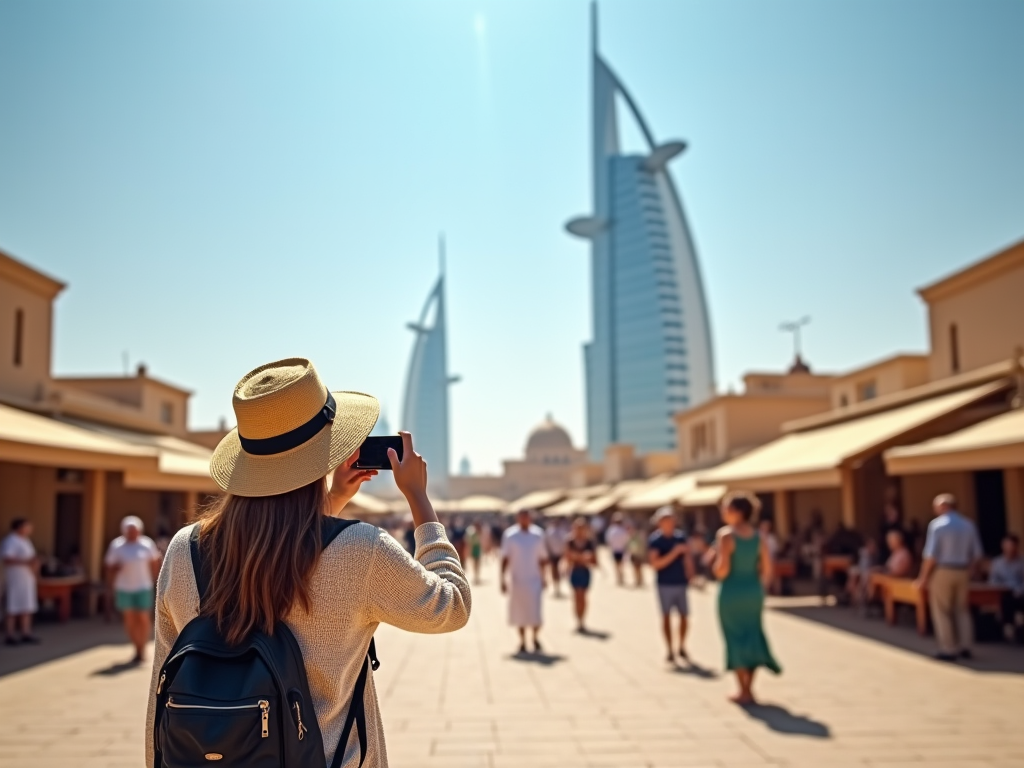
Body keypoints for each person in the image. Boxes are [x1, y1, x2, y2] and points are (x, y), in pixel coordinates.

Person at [144, 357, 471, 768]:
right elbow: (452, 605)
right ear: (325, 453)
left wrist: (331, 502)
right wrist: (419, 500)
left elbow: (162, 695)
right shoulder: (360, 551)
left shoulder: (184, 549)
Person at [714, 492, 781, 704]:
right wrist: (760, 588)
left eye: (726, 508)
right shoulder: (759, 536)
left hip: (731, 592)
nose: (723, 512)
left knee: (733, 637)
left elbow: (722, 570)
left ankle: (741, 689)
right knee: (753, 635)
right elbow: (768, 569)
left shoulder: (726, 536)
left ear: (737, 512)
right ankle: (749, 689)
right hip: (753, 591)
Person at [914, 493, 983, 662]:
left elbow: (931, 556)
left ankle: (948, 648)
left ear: (943, 506)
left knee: (942, 610)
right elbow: (977, 553)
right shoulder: (968, 525)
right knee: (962, 609)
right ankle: (966, 646)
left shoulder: (937, 525)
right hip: (962, 570)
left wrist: (923, 577)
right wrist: (972, 570)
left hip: (943, 570)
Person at [105, 515, 162, 663]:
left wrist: (154, 579)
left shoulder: (146, 544)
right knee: (129, 619)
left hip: (143, 587)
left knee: (143, 618)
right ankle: (136, 647)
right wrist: (115, 570)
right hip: (124, 587)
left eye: (135, 530)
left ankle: (142, 648)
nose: (132, 533)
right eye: (130, 531)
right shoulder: (117, 546)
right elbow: (109, 566)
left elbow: (155, 561)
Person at [648, 506, 694, 663]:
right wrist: (674, 552)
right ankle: (669, 649)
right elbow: (655, 564)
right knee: (666, 616)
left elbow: (687, 557)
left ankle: (681, 645)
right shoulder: (656, 540)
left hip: (680, 582)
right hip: (665, 583)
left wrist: (690, 574)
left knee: (684, 617)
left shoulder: (680, 537)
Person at [501, 509, 548, 654]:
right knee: (519, 612)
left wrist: (544, 577)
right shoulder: (510, 535)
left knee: (535, 612)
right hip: (517, 580)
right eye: (522, 517)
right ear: (518, 518)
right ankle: (522, 640)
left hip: (534, 579)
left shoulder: (537, 534)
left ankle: (535, 637)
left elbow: (542, 558)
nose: (524, 520)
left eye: (527, 517)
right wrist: (502, 579)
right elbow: (505, 558)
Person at [2, 518, 40, 645]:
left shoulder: (26, 541)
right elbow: (7, 559)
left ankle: (26, 633)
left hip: (27, 578)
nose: (29, 529)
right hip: (15, 578)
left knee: (26, 606)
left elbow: (31, 557)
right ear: (19, 527)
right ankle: (10, 635)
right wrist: (25, 562)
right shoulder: (10, 541)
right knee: (12, 606)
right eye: (26, 526)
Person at [988, 533, 1024, 641]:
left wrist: (1019, 590)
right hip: (1003, 593)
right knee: (1005, 600)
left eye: (1011, 545)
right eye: (1006, 545)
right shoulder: (997, 562)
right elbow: (993, 579)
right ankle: (1008, 629)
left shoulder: (1022, 562)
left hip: (1020, 593)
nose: (1009, 548)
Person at [564, 517, 597, 632]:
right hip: (575, 571)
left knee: (583, 596)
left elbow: (594, 561)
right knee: (576, 596)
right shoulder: (570, 541)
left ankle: (582, 619)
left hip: (585, 571)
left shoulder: (589, 542)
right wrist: (579, 558)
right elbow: (567, 557)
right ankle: (578, 620)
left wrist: (584, 558)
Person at [544, 518, 569, 597]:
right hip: (552, 554)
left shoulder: (562, 531)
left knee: (560, 571)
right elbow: (546, 543)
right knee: (554, 571)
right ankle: (556, 587)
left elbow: (565, 543)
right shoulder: (549, 531)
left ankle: (558, 587)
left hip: (560, 554)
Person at [605, 512, 631, 586]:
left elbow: (608, 540)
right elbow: (627, 540)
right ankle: (620, 577)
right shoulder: (622, 530)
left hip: (616, 549)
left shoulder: (611, 530)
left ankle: (619, 578)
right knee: (620, 565)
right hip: (620, 549)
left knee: (617, 565)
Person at [627, 522, 647, 588]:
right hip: (634, 554)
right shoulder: (631, 537)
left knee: (639, 568)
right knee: (635, 568)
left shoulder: (639, 536)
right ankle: (637, 580)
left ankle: (640, 580)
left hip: (638, 554)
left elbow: (642, 546)